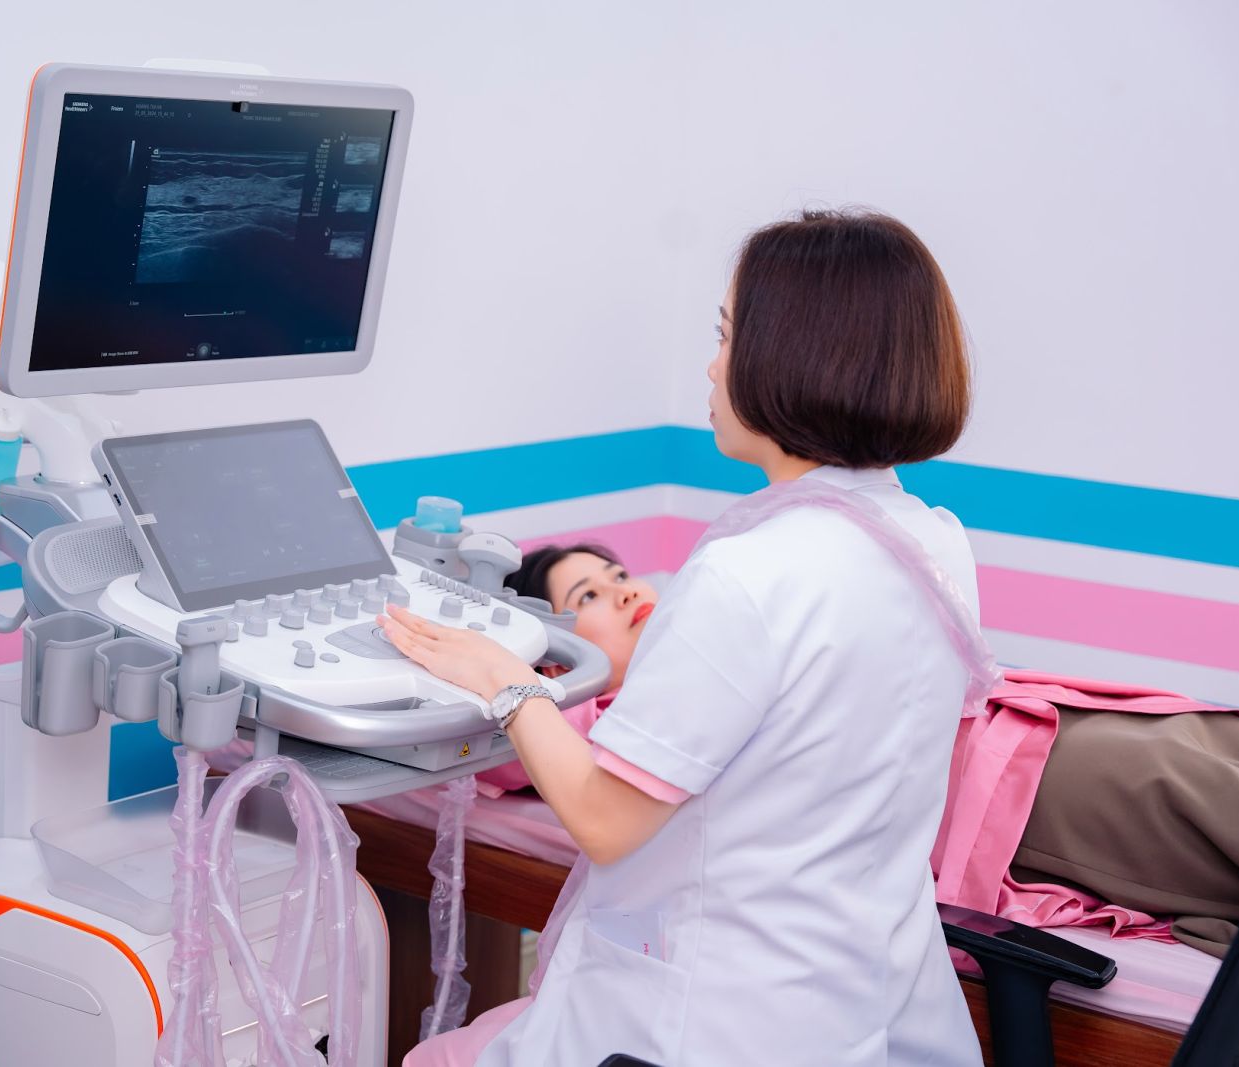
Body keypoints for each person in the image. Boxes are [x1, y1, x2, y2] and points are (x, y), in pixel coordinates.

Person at [381, 209, 989, 1066]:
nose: (712, 365)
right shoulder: (936, 542)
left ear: (792, 354)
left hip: (720, 1028)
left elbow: (605, 820)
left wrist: (503, 679)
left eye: (727, 335)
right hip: (877, 1012)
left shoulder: (751, 573)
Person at [503, 542, 1239, 959]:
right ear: (557, 654)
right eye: (589, 596)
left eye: (617, 573)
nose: (625, 589)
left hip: (1043, 716)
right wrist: (514, 671)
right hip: (1032, 784)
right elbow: (516, 759)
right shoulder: (610, 720)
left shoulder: (722, 628)